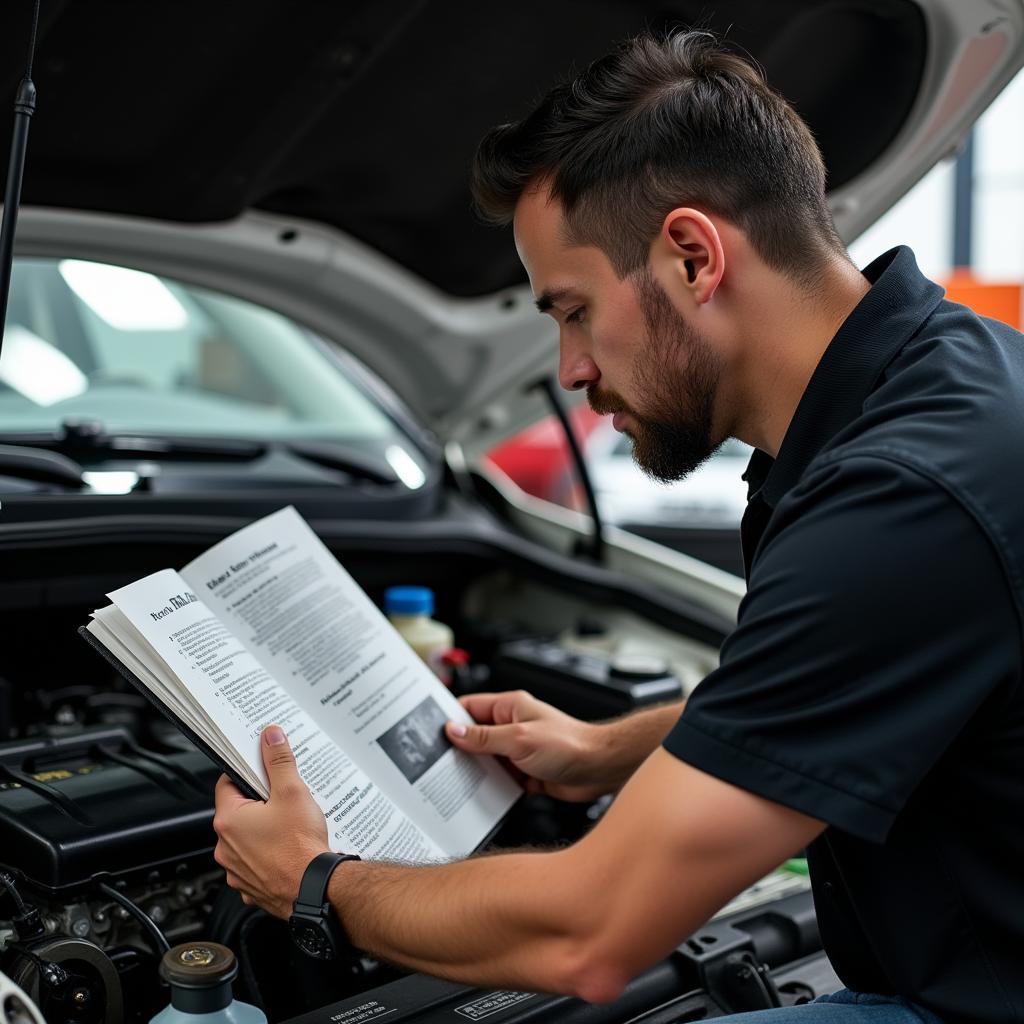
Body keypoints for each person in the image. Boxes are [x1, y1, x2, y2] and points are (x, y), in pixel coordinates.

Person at [212, 30, 1024, 1023]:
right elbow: (848, 684)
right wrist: (611, 748)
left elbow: (587, 935)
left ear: (691, 255)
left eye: (573, 310)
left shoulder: (901, 501)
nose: (567, 370)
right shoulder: (956, 376)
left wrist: (312, 883)